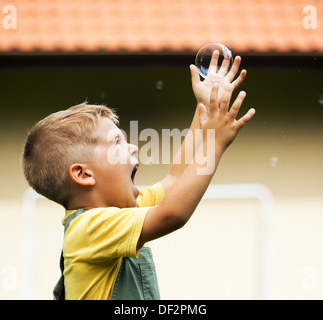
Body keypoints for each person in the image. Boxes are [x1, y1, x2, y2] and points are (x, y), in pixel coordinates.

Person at [21, 53, 255, 300]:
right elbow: (172, 214)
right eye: (117, 142)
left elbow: (175, 179)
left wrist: (205, 110)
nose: (132, 147)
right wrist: (214, 144)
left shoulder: (116, 214)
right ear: (83, 174)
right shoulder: (89, 228)